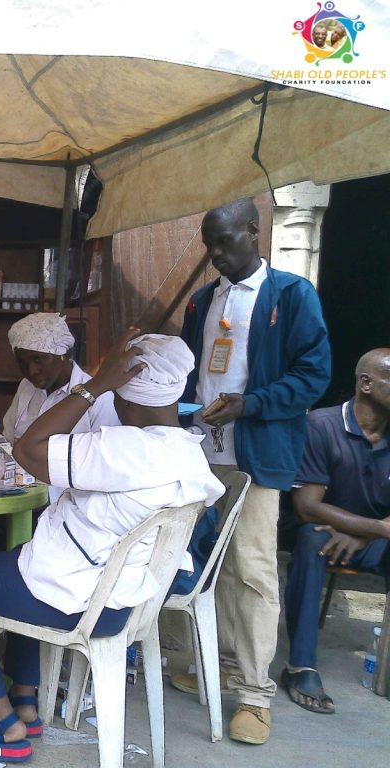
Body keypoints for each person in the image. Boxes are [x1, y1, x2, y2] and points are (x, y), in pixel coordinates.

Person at [0, 331, 224, 763]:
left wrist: (95, 385)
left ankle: (4, 726)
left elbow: (28, 449)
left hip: (78, 596)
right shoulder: (188, 452)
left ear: (128, 397)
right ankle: (25, 703)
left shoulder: (125, 449)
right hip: (121, 597)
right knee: (15, 564)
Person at [173, 198, 331, 744]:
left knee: (254, 571)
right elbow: (189, 374)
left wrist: (251, 404)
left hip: (256, 457)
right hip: (201, 455)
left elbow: (314, 375)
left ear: (253, 231)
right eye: (209, 244)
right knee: (208, 565)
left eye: (225, 241)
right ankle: (218, 664)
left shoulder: (291, 295)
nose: (216, 254)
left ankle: (255, 695)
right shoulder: (202, 301)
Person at [0, 312, 119, 560]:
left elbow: (104, 470)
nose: (31, 370)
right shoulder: (27, 388)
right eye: (22, 363)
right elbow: (8, 438)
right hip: (18, 498)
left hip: (64, 510)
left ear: (62, 354)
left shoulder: (99, 399)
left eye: (38, 359)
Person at [282, 348, 390, 714]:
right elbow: (307, 506)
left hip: (370, 540)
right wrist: (378, 527)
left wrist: (367, 534)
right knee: (312, 537)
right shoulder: (322, 425)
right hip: (324, 533)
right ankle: (301, 667)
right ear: (366, 383)